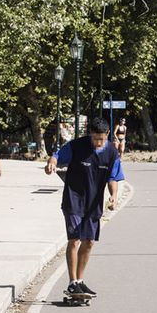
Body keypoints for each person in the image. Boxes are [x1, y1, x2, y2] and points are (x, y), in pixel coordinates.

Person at [45, 117, 124, 297]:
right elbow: (57, 156)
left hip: (93, 203)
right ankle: (72, 282)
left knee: (89, 242)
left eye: (101, 139)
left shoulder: (112, 153)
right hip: (73, 199)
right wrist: (51, 163)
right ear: (90, 134)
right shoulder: (76, 146)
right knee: (74, 239)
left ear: (108, 135)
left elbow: (113, 177)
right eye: (95, 138)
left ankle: (80, 281)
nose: (98, 142)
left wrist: (113, 195)